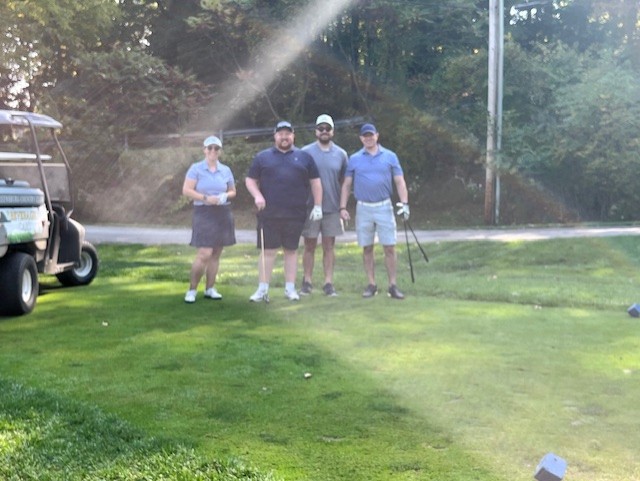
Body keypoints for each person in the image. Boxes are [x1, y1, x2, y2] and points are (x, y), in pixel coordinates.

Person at [245, 121, 323, 302]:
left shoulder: (304, 157)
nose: (284, 137)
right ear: (275, 136)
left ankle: (290, 289)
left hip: (295, 213)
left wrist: (318, 205)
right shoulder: (263, 157)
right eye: (280, 134)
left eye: (287, 134)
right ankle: (262, 289)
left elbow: (315, 182)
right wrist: (257, 195)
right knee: (268, 251)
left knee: (291, 251)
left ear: (293, 136)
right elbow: (250, 180)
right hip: (268, 213)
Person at [339, 123, 410, 300]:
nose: (368, 138)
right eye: (365, 136)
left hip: (384, 206)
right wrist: (343, 207)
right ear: (361, 138)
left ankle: (392, 285)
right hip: (363, 207)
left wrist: (404, 204)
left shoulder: (390, 156)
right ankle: (371, 284)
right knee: (367, 247)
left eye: (371, 135)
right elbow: (347, 184)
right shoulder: (355, 158)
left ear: (377, 136)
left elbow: (400, 181)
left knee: (389, 246)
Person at [182, 135, 236, 303]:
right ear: (204, 150)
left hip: (222, 212)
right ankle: (192, 290)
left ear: (220, 151)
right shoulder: (196, 168)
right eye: (210, 148)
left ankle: (210, 288)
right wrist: (206, 198)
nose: (213, 151)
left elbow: (233, 191)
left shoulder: (225, 170)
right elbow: (187, 190)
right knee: (204, 253)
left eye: (216, 148)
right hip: (204, 212)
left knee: (216, 253)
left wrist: (224, 196)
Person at [299, 114, 348, 297]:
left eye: (328, 128)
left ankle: (328, 283)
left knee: (329, 246)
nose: (324, 131)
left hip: (332, 208)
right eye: (321, 128)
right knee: (309, 245)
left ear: (332, 131)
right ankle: (307, 282)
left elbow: (344, 181)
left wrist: (342, 207)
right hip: (310, 207)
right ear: (316, 131)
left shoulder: (341, 154)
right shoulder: (305, 152)